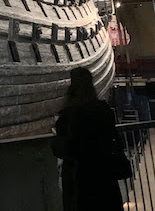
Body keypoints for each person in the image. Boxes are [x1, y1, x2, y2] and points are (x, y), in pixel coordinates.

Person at [51, 67, 123, 211]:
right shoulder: (103, 109)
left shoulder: (69, 114)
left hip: (80, 177)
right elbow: (112, 136)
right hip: (104, 172)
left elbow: (64, 148)